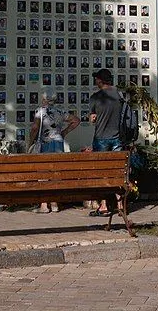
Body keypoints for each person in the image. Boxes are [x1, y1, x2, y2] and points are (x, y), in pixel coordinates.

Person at [28, 93, 80, 213]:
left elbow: (35, 128)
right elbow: (76, 120)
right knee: (55, 174)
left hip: (45, 143)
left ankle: (44, 205)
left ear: (44, 99)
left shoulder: (39, 111)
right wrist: (64, 132)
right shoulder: (60, 112)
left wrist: (30, 141)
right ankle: (55, 203)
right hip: (58, 144)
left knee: (43, 174)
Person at [88, 68, 123, 216]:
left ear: (100, 81)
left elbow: (92, 118)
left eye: (96, 79)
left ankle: (103, 206)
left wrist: (94, 118)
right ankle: (120, 204)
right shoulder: (119, 95)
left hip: (101, 138)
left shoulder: (96, 97)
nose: (95, 81)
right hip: (117, 138)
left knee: (101, 172)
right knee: (117, 171)